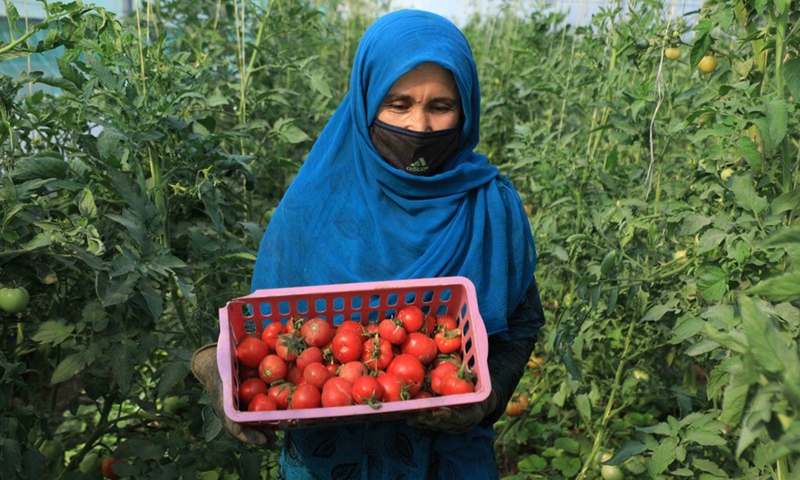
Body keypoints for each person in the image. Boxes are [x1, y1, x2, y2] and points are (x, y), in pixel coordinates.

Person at [191, 9, 546, 479]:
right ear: (365, 102)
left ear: (467, 110)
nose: (418, 127)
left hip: (449, 459)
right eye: (397, 104)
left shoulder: (490, 205)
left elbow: (521, 322)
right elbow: (263, 335)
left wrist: (488, 398)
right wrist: (215, 369)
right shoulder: (316, 204)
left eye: (441, 106)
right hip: (328, 460)